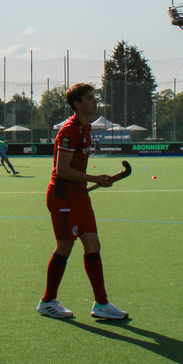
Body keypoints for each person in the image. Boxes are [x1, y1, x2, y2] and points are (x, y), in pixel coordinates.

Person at [37, 83, 129, 321]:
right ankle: (47, 302)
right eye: (89, 98)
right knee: (65, 248)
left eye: (93, 97)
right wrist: (93, 178)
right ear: (77, 104)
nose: (94, 102)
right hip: (63, 196)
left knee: (93, 244)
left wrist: (94, 180)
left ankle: (101, 304)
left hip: (79, 195)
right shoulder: (69, 131)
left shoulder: (86, 128)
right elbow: (63, 170)